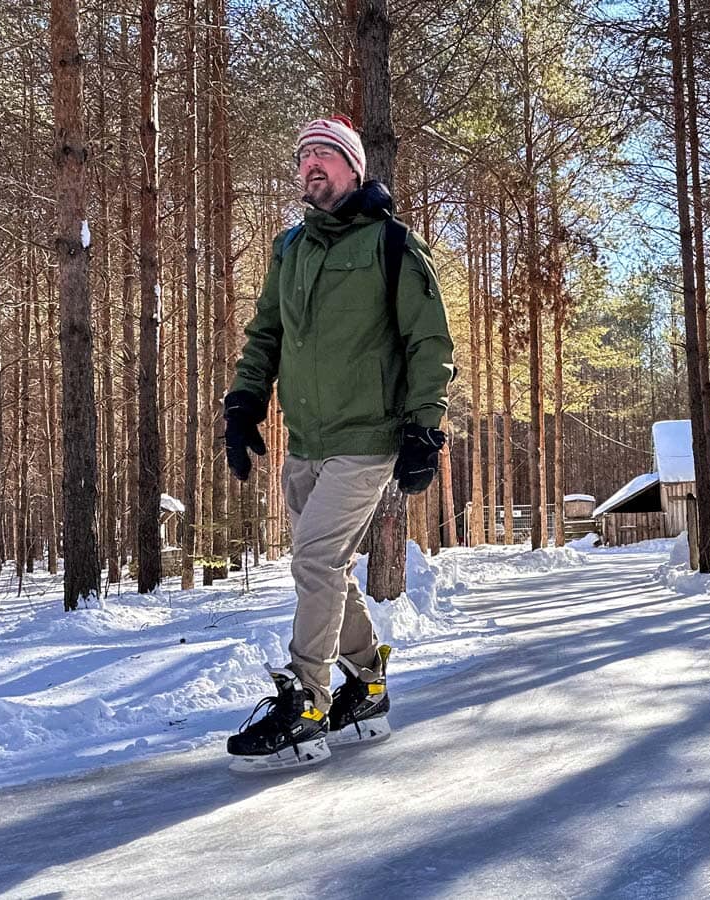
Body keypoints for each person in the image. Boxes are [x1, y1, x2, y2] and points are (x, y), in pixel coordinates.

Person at [223, 115, 454, 772]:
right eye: (303, 159)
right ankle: (368, 684)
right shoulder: (289, 249)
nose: (311, 167)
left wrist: (422, 429)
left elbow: (428, 343)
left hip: (367, 437)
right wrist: (242, 403)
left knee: (315, 562)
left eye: (325, 155)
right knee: (322, 568)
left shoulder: (392, 245)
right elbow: (264, 334)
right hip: (307, 440)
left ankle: (307, 703)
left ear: (355, 169)